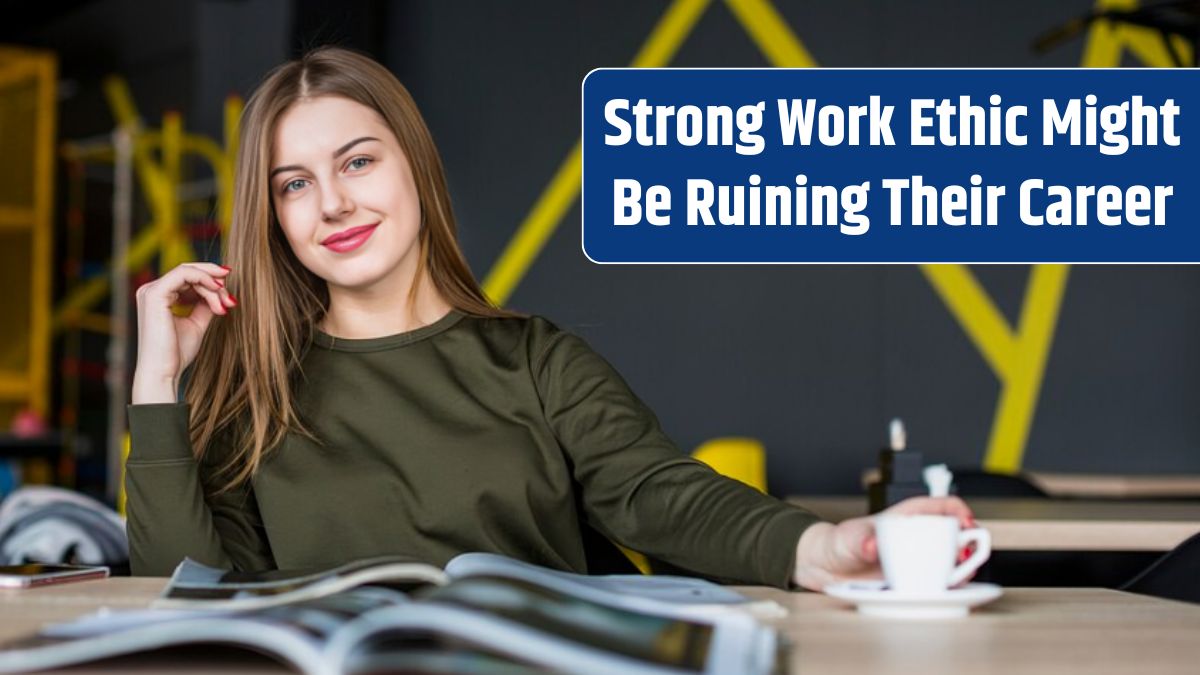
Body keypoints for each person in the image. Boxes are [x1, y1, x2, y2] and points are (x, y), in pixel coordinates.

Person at [126, 45, 974, 589]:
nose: (334, 202)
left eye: (357, 160)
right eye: (295, 183)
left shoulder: (536, 361)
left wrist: (821, 548)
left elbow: (662, 495)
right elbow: (180, 598)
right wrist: (159, 380)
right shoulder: (254, 396)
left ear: (414, 167)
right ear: (272, 215)